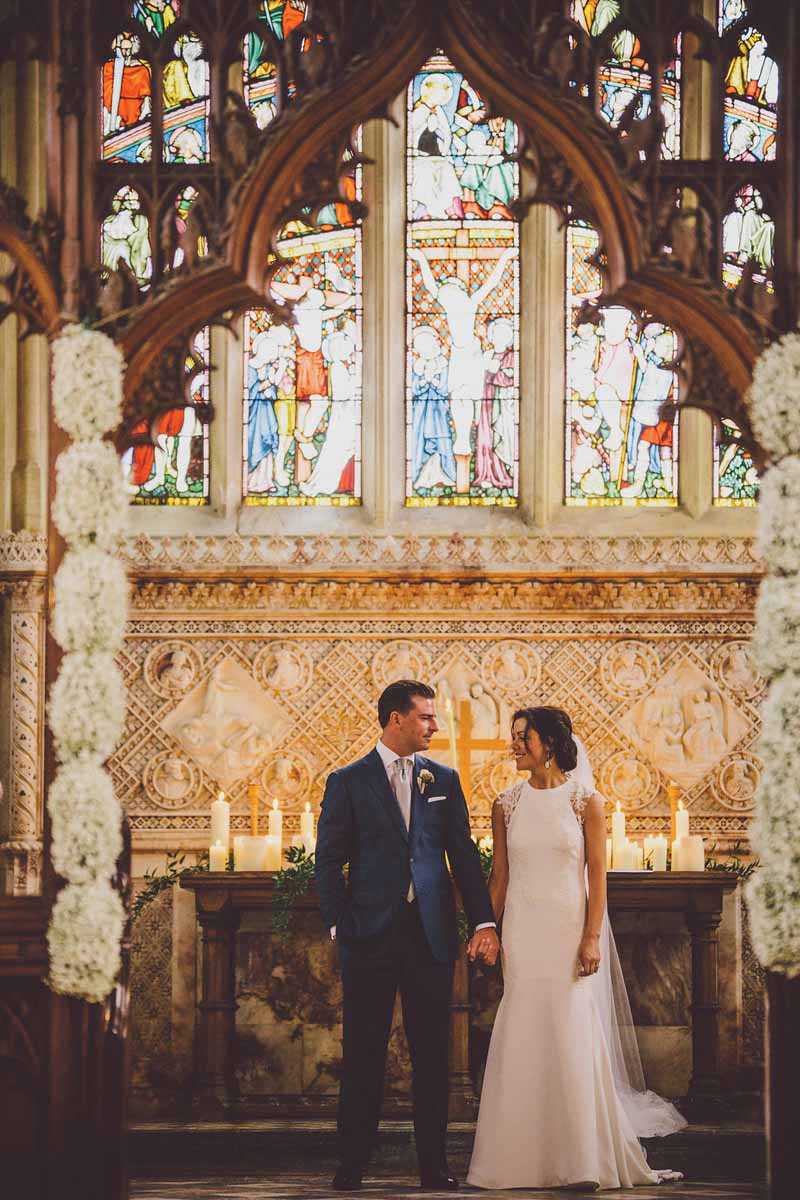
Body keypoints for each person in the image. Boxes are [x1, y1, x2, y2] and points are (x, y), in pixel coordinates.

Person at [468, 706, 685, 1190]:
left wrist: (590, 936)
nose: (515, 745)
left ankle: (581, 1162)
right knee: (525, 1025)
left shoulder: (586, 801)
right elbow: (499, 877)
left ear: (549, 742)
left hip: (568, 932)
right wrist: (486, 928)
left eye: (524, 737)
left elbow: (595, 876)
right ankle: (518, 1160)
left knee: (569, 1028)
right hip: (524, 932)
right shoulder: (506, 804)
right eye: (514, 737)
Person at [315, 680, 499, 1192]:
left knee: (433, 1058)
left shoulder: (443, 778)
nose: (434, 726)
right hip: (368, 937)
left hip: (430, 937)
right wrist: (339, 923)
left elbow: (462, 857)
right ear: (396, 719)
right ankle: (351, 1166)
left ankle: (434, 1168)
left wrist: (483, 921)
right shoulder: (347, 781)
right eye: (425, 717)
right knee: (364, 1054)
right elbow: (328, 860)